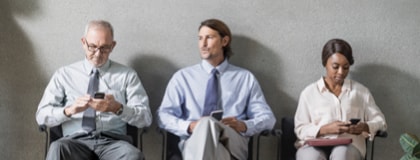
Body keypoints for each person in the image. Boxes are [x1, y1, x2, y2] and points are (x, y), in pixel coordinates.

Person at [157, 18, 276, 160]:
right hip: (194, 142)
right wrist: (189, 126)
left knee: (208, 123)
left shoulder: (245, 78)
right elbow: (163, 115)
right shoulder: (182, 77)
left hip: (233, 142)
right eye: (200, 38)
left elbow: (268, 118)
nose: (203, 44)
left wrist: (244, 125)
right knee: (209, 132)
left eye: (209, 37)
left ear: (224, 41)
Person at [36, 20, 152, 160]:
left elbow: (146, 118)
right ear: (83, 42)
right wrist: (69, 110)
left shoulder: (127, 75)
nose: (98, 54)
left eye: (104, 48)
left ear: (113, 46)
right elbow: (41, 116)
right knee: (58, 148)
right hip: (75, 141)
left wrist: (117, 108)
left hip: (114, 142)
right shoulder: (64, 75)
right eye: (92, 47)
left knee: (133, 156)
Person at [294, 38, 387, 160]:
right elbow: (300, 129)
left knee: (342, 153)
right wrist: (323, 129)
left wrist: (364, 127)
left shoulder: (360, 92)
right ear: (325, 63)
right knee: (311, 157)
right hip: (313, 147)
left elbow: (381, 122)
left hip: (349, 148)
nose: (341, 72)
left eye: (346, 67)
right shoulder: (309, 93)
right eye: (335, 66)